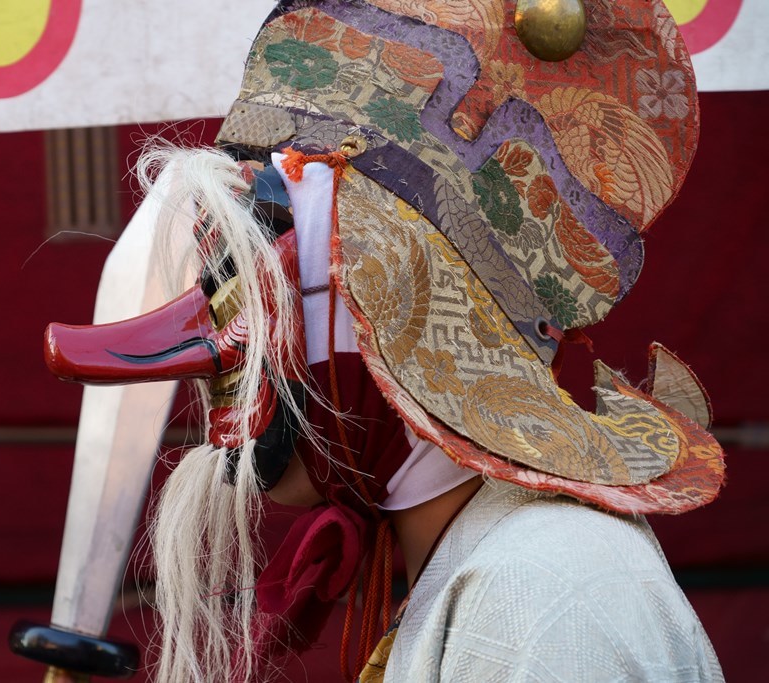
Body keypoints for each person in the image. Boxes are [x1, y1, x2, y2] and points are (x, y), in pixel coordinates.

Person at [44, 0, 726, 680]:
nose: (226, 340)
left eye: (267, 277)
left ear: (401, 307)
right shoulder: (499, 568)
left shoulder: (549, 591)